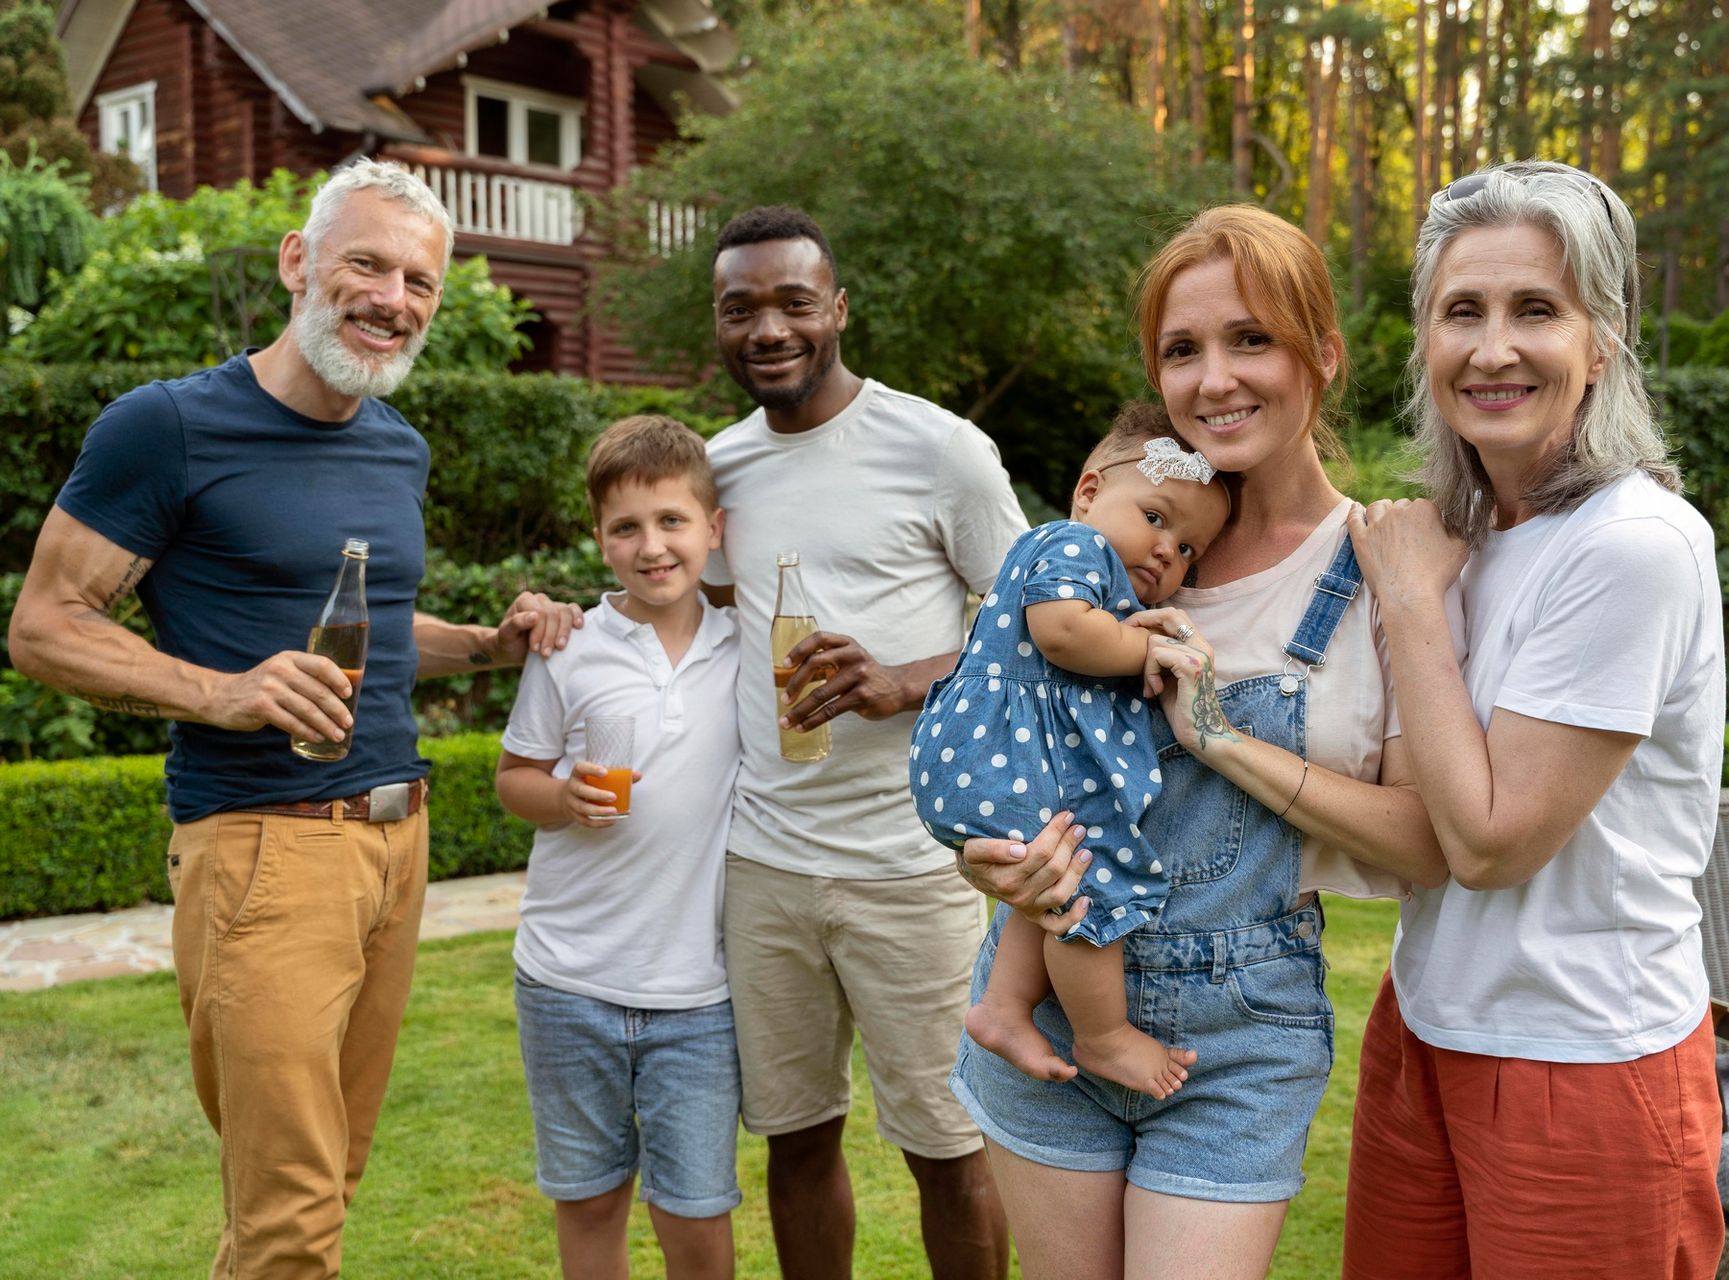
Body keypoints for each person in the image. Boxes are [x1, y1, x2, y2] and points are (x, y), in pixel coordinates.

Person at [6, 159, 582, 1279]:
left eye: (419, 281)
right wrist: (222, 691)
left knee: (324, 1186)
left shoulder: (397, 444)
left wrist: (488, 644)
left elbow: (366, 633)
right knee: (291, 1218)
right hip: (264, 848)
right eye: (367, 263)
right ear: (297, 261)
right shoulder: (168, 426)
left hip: (397, 844)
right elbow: (45, 626)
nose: (392, 299)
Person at [953, 205, 1454, 1278]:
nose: (1215, 378)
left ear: (1323, 354)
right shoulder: (1111, 542)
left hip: (1240, 1032)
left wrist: (1218, 735)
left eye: (1251, 338)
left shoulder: (1386, 563)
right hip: (1049, 989)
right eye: (1182, 349)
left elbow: (1426, 842)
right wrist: (988, 856)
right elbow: (1002, 729)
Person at [1340, 161, 1726, 1279]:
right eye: (1462, 311)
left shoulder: (1631, 544)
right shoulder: (1465, 538)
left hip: (1582, 1055)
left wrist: (1410, 606)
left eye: (1536, 311)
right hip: (1425, 1020)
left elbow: (1489, 842)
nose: (1493, 348)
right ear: (1426, 340)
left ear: (1601, 343)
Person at [698, 206, 1029, 1279]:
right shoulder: (717, 471)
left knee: (949, 1145)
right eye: (740, 309)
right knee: (794, 1140)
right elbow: (703, 625)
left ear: (837, 309)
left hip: (910, 864)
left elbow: (1040, 622)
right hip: (765, 866)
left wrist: (906, 680)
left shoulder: (939, 449)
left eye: (794, 302)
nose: (768, 328)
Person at [912, 404, 1230, 1100]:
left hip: (1006, 763)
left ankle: (1002, 1007)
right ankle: (1103, 1035)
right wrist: (1149, 649)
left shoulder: (1103, 582)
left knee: (1053, 875)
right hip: (1002, 760)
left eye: (1189, 550)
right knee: (1094, 874)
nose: (1167, 551)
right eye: (1155, 517)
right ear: (1089, 493)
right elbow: (1060, 632)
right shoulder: (1072, 545)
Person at [495, 416, 741, 1280]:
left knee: (696, 1212)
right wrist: (563, 799)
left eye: (673, 521)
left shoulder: (746, 646)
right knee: (591, 1200)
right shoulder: (569, 647)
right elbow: (514, 778)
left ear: (715, 529)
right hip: (567, 982)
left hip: (698, 996)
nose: (652, 546)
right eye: (626, 527)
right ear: (600, 540)